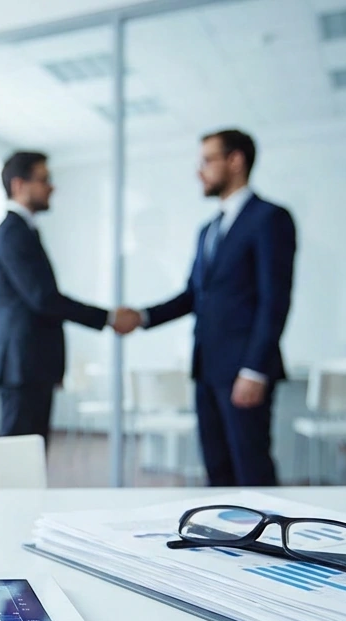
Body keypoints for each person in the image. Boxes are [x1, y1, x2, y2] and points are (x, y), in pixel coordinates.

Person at [113, 129, 296, 487]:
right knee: (217, 468)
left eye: (207, 160)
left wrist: (255, 370)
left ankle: (266, 541)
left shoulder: (270, 218)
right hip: (207, 367)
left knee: (252, 468)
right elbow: (195, 295)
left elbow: (275, 299)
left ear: (236, 161)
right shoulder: (208, 229)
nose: (199, 171)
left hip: (243, 370)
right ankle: (225, 540)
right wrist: (143, 316)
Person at [0, 150, 120, 447]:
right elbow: (43, 299)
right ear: (19, 185)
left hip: (29, 367)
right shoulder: (13, 233)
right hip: (21, 368)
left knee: (29, 459)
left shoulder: (24, 231)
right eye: (44, 180)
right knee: (19, 463)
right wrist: (108, 318)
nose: (52, 187)